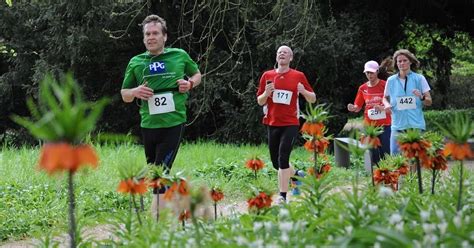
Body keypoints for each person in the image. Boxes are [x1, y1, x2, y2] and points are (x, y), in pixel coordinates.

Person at [120, 15, 202, 212]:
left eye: (155, 33)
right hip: (148, 124)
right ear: (143, 38)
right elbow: (124, 94)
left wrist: (189, 83)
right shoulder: (136, 62)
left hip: (173, 122)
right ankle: (175, 202)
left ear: (164, 36)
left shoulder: (179, 55)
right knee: (153, 170)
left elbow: (197, 74)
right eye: (147, 34)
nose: (151, 37)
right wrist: (135, 92)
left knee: (161, 171)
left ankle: (155, 217)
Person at [257, 45, 316, 204]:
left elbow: (313, 98)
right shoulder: (267, 75)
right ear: (276, 57)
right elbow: (260, 101)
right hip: (272, 122)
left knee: (283, 158)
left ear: (291, 58)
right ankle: (297, 175)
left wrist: (303, 91)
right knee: (276, 163)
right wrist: (266, 93)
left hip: (290, 123)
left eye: (285, 53)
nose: (282, 54)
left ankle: (282, 197)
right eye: (279, 52)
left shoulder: (298, 76)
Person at [382, 49, 432, 154]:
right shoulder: (391, 80)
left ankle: (412, 171)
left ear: (410, 61)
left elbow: (429, 101)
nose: (402, 63)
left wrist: (421, 97)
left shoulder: (419, 78)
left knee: (414, 159)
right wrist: (386, 104)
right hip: (397, 125)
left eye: (405, 60)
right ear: (396, 63)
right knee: (395, 157)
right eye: (399, 61)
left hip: (416, 125)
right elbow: (384, 97)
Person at [347, 60, 391, 165]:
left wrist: (383, 107)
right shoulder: (362, 88)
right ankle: (375, 175)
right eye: (367, 73)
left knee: (386, 151)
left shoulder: (385, 85)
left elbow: (392, 102)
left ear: (377, 71)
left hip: (385, 124)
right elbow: (358, 107)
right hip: (369, 126)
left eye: (371, 72)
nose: (369, 75)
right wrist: (353, 107)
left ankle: (389, 174)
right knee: (372, 152)